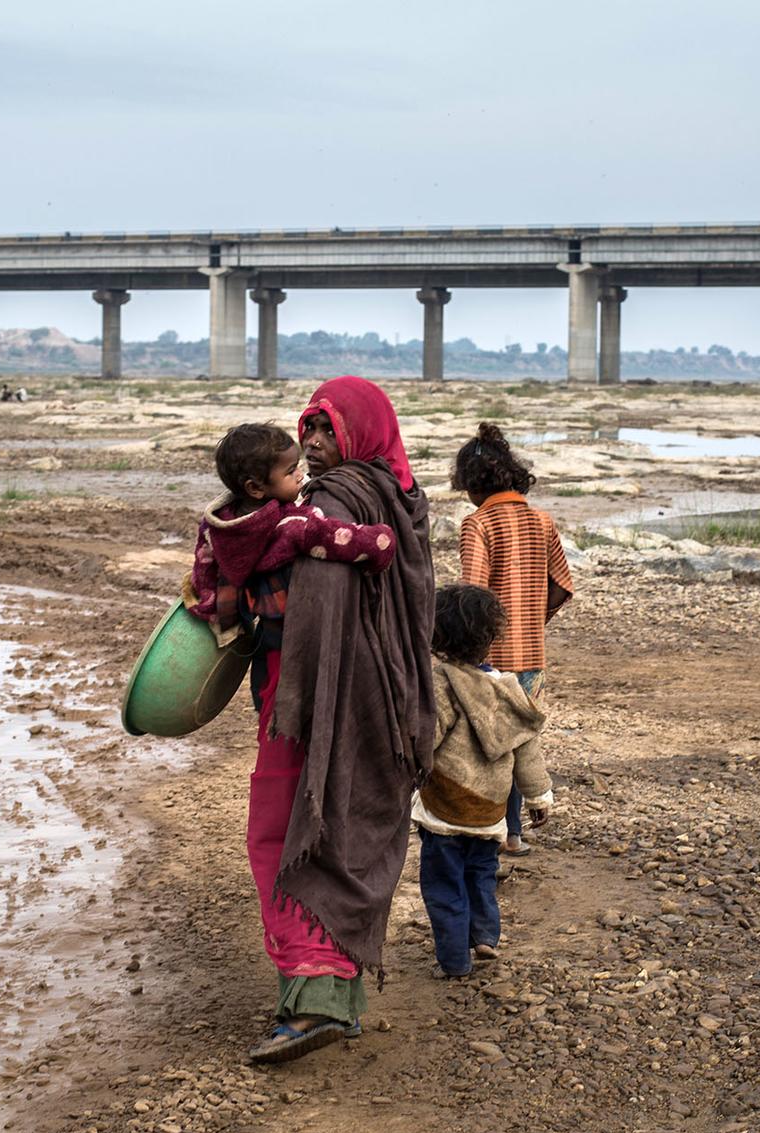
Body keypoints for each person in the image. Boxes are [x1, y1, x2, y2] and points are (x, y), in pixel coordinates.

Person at [243, 376, 435, 1064]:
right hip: (389, 700)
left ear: (359, 429)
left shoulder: (332, 500)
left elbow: (318, 615)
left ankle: (316, 997)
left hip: (318, 706)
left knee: (290, 831)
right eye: (308, 429)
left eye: (327, 429)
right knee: (350, 833)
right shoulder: (403, 496)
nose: (314, 444)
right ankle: (335, 997)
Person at [184, 422, 398, 693]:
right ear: (255, 488)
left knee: (267, 689)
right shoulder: (293, 526)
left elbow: (203, 569)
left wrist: (211, 608)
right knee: (288, 693)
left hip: (261, 629)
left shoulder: (216, 524)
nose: (300, 475)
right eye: (289, 471)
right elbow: (343, 539)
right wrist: (383, 539)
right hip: (294, 630)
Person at [414, 584, 553, 978]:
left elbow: (424, 743)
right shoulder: (508, 689)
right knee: (480, 875)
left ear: (437, 637)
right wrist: (539, 796)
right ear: (491, 639)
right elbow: (527, 748)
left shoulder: (441, 685)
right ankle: (485, 938)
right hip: (491, 812)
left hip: (445, 809)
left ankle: (455, 960)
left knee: (443, 885)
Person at [453, 421, 571, 856]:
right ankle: (515, 835)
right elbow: (562, 583)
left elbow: (473, 594)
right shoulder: (542, 520)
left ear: (470, 484)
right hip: (532, 654)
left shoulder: (477, 524)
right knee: (522, 739)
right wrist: (533, 618)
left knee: (488, 747)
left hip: (489, 655)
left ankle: (494, 834)